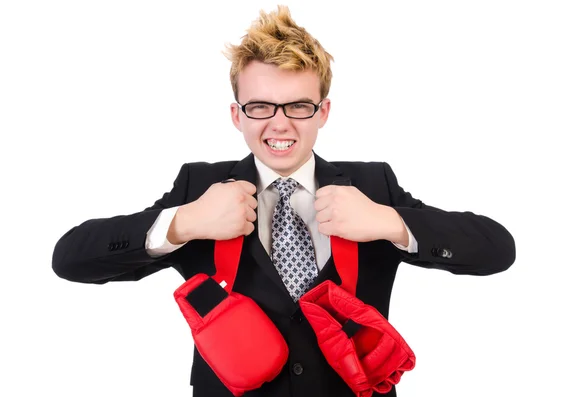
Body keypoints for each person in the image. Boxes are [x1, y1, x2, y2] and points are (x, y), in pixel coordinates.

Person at [52, 5, 516, 397]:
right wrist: (183, 223)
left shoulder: (373, 186)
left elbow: (497, 249)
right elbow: (71, 259)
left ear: (323, 112)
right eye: (260, 107)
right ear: (236, 115)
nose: (279, 125)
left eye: (298, 106)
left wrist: (390, 222)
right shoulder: (199, 188)